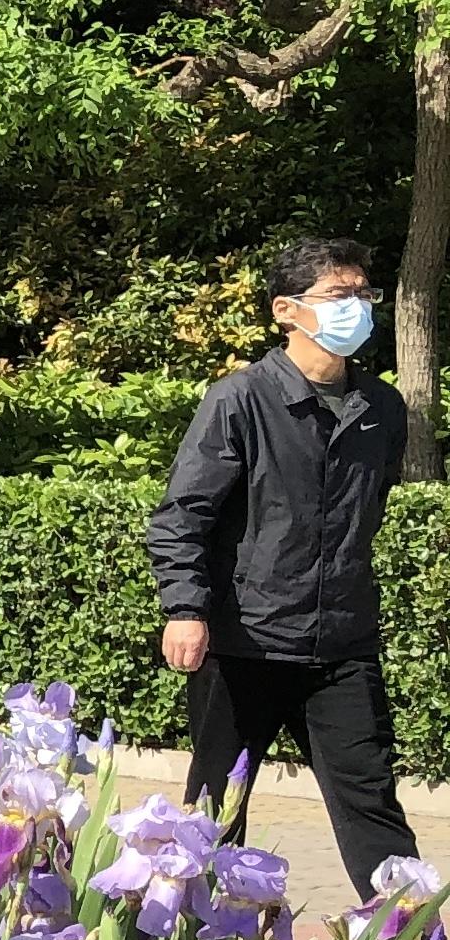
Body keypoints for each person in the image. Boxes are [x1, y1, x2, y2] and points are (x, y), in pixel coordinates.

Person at [146, 235, 421, 889]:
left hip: (341, 647)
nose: (357, 306)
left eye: (364, 294)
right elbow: (183, 515)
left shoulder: (382, 409)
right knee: (216, 804)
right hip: (246, 645)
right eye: (339, 295)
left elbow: (367, 509)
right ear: (286, 310)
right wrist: (185, 608)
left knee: (372, 802)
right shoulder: (240, 400)